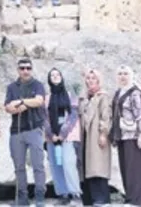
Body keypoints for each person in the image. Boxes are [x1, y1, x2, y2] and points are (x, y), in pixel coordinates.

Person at [4, 57, 47, 207]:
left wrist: (22, 102)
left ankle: (40, 197)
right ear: (18, 70)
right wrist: (26, 104)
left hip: (34, 129)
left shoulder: (38, 84)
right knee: (19, 167)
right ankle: (22, 199)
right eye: (22, 68)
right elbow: (8, 107)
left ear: (32, 69)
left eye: (28, 68)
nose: (25, 71)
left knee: (38, 165)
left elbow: (39, 101)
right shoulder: (11, 87)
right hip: (16, 131)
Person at [111, 66, 141, 207]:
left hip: (133, 135)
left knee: (136, 168)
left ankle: (138, 200)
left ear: (131, 75)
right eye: (120, 74)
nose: (123, 76)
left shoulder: (135, 93)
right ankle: (130, 197)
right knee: (126, 167)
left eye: (126, 73)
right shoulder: (118, 92)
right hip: (122, 135)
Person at [44, 69, 81, 206]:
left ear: (61, 77)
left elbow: (73, 116)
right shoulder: (46, 98)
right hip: (52, 136)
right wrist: (52, 134)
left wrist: (62, 133)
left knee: (68, 163)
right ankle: (63, 194)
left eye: (57, 74)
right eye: (52, 75)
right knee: (56, 164)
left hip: (68, 135)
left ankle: (75, 194)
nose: (55, 77)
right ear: (49, 79)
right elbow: (44, 118)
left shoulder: (70, 95)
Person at [79, 70, 113, 207]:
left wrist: (103, 133)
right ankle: (88, 199)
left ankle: (101, 198)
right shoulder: (84, 98)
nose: (90, 80)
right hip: (85, 136)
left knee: (98, 166)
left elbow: (106, 116)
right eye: (88, 78)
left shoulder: (103, 97)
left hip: (96, 135)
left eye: (94, 78)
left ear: (99, 80)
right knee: (87, 166)